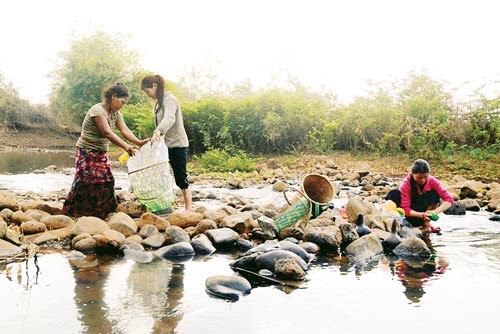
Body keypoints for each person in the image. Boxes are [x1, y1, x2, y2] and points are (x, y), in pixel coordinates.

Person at [62, 83, 150, 218]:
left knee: (107, 181)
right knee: (85, 181)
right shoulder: (97, 111)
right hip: (87, 151)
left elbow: (124, 130)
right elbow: (107, 132)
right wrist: (126, 147)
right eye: (122, 102)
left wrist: (138, 142)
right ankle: (73, 212)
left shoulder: (116, 114)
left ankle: (101, 213)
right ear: (114, 97)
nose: (122, 105)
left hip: (101, 152)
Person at [141, 74, 192, 211]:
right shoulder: (158, 102)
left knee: (180, 176)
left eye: (148, 92)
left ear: (155, 86)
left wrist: (158, 131)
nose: (148, 95)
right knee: (162, 174)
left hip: (178, 144)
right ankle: (167, 203)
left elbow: (170, 118)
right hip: (165, 146)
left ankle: (189, 208)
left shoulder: (170, 99)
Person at [386, 159, 454, 233]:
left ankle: (426, 226)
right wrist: (421, 215)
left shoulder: (432, 181)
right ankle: (399, 224)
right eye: (419, 178)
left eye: (425, 177)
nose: (423, 180)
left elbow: (449, 199)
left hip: (424, 216)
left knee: (434, 194)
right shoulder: (406, 183)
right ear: (412, 174)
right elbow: (405, 209)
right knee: (394, 193)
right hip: (408, 216)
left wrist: (435, 212)